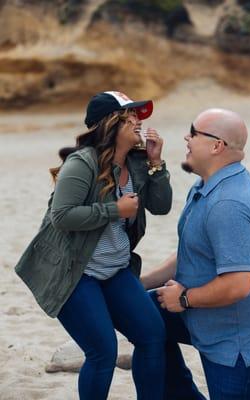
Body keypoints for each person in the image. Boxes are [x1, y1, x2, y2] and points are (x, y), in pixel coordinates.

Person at [15, 91, 172, 400]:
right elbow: (61, 216)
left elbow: (161, 205)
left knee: (153, 336)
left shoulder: (137, 162)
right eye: (129, 116)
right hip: (75, 272)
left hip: (115, 269)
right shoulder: (82, 163)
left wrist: (156, 163)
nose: (138, 121)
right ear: (109, 124)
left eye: (138, 115)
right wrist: (116, 210)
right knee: (103, 351)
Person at [141, 108, 250, 399]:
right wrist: (143, 282)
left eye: (194, 132)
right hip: (201, 318)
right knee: (140, 314)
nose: (186, 137)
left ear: (216, 145)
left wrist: (184, 298)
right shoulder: (206, 186)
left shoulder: (228, 205)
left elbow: (239, 283)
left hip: (235, 343)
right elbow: (193, 253)